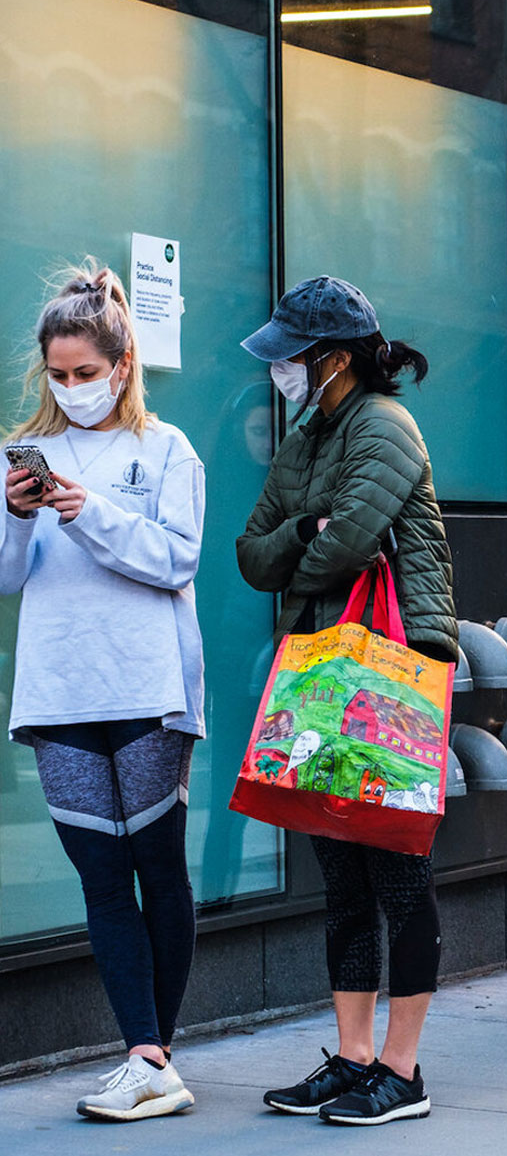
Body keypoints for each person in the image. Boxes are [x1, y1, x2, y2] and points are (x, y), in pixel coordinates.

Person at [236, 275, 457, 1125]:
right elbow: (253, 553)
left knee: (397, 868)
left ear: (332, 357)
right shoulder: (309, 434)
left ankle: (402, 1071)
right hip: (322, 665)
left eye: (292, 356)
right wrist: (305, 531)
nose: (282, 370)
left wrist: (315, 543)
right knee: (341, 873)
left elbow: (352, 544)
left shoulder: (384, 424)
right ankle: (354, 1056)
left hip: (389, 665)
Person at [0, 262, 205, 1118]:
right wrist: (18, 515)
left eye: (86, 370)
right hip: (58, 688)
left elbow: (178, 559)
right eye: (58, 372)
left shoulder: (166, 447)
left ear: (122, 366)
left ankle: (153, 1054)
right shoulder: (23, 454)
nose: (71, 385)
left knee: (157, 863)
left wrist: (93, 513)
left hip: (148, 684)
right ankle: (146, 1056)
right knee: (100, 874)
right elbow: (7, 577)